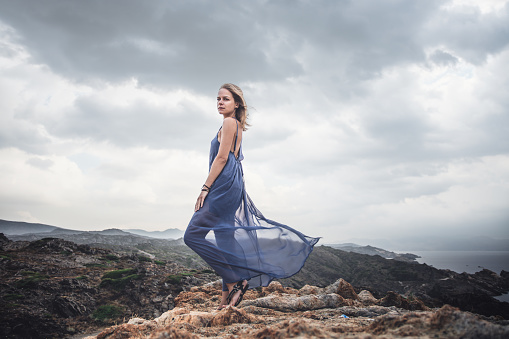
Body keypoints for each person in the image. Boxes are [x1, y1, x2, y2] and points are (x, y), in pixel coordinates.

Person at [184, 83, 319, 309]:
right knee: (224, 238)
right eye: (218, 99)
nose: (219, 102)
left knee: (192, 235)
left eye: (225, 99)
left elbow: (222, 158)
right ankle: (227, 297)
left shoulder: (228, 122)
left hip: (223, 184)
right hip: (233, 184)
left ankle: (237, 280)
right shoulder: (236, 125)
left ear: (236, 103)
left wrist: (205, 188)